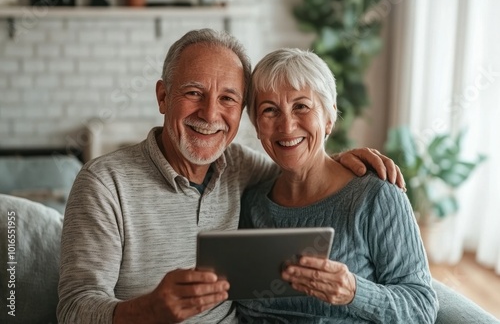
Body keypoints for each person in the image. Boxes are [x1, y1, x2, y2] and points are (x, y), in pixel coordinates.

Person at [57, 29, 404, 324]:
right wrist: (149, 309)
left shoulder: (241, 168)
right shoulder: (103, 183)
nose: (210, 114)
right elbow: (73, 308)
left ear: (241, 112)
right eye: (194, 93)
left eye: (227, 98)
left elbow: (299, 165)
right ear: (163, 96)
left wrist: (335, 159)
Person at [236, 48, 438, 323]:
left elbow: (421, 308)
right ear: (257, 126)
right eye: (270, 110)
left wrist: (354, 292)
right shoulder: (250, 202)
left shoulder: (377, 197)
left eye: (301, 106)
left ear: (329, 117)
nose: (287, 125)